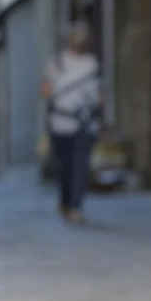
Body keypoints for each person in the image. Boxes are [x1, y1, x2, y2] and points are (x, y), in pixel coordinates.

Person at [41, 22, 101, 224]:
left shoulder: (57, 62)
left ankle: (72, 205)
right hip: (75, 122)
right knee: (71, 167)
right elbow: (99, 96)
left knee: (75, 166)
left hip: (68, 122)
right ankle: (69, 204)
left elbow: (45, 92)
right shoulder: (91, 63)